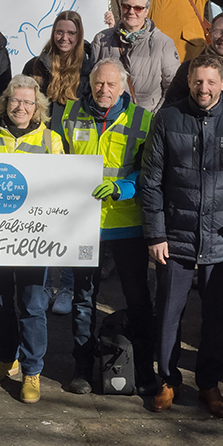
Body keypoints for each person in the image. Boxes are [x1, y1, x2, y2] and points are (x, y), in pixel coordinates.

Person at [139, 53, 223, 418]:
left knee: (215, 316)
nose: (204, 88)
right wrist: (155, 233)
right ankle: (167, 380)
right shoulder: (168, 117)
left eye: (211, 81)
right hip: (174, 234)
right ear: (188, 81)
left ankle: (209, 383)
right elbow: (152, 181)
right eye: (197, 81)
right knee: (169, 312)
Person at [53, 59, 157, 394]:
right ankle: (82, 368)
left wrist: (128, 186)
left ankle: (144, 369)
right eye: (99, 83)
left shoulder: (143, 119)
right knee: (83, 298)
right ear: (90, 82)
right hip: (84, 225)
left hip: (127, 224)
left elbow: (153, 167)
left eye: (112, 85)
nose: (104, 90)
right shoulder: (69, 114)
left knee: (137, 298)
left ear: (124, 86)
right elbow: (55, 162)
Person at [0, 77, 66, 401]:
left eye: (28, 102)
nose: (21, 107)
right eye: (15, 100)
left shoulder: (51, 140)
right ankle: (5, 358)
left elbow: (59, 188)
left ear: (38, 107)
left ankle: (32, 370)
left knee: (32, 304)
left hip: (32, 240)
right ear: (5, 102)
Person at [89, 0, 182, 112]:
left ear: (146, 11)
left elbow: (173, 88)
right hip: (108, 118)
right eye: (127, 6)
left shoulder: (163, 43)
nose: (131, 12)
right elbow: (90, 79)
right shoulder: (102, 39)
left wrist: (155, 117)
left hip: (147, 120)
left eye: (138, 8)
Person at [23, 10, 90, 122]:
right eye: (59, 32)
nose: (64, 37)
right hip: (43, 134)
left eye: (71, 33)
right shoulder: (35, 66)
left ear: (79, 36)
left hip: (74, 136)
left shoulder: (88, 69)